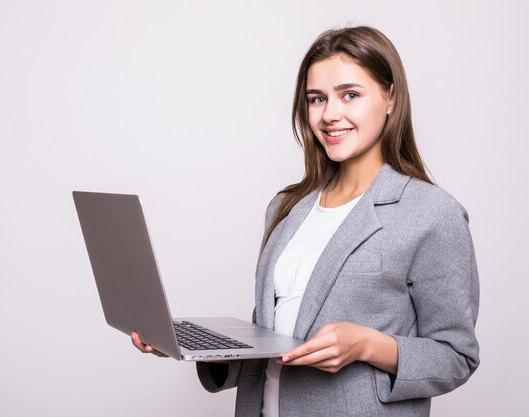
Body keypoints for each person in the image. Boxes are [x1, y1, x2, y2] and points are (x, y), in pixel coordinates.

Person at [132, 25, 480, 417]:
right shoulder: (287, 207)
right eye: (317, 99)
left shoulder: (431, 213)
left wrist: (367, 345)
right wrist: (201, 348)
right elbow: (275, 335)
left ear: (390, 98)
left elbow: (456, 356)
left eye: (350, 95)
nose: (330, 115)